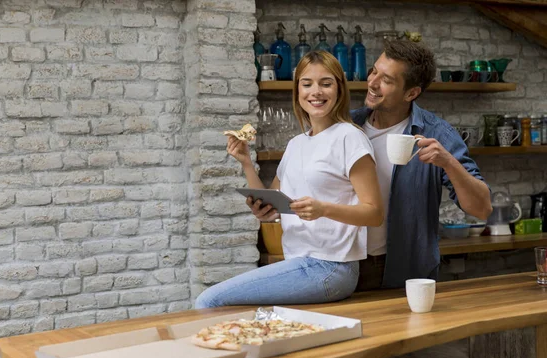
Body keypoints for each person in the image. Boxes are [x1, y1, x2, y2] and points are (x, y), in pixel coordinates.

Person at [194, 51, 383, 309]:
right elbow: (274, 206)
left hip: (331, 267)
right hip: (297, 262)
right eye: (307, 84)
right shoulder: (296, 144)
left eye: (325, 83)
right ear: (297, 92)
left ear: (339, 89)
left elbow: (374, 214)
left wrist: (323, 209)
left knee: (209, 301)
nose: (315, 91)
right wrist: (246, 163)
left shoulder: (350, 138)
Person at [349, 39, 493, 289]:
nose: (372, 83)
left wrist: (448, 162)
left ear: (411, 93)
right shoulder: (347, 126)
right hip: (344, 264)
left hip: (405, 270)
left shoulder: (438, 135)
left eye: (387, 80)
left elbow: (481, 208)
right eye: (374, 71)